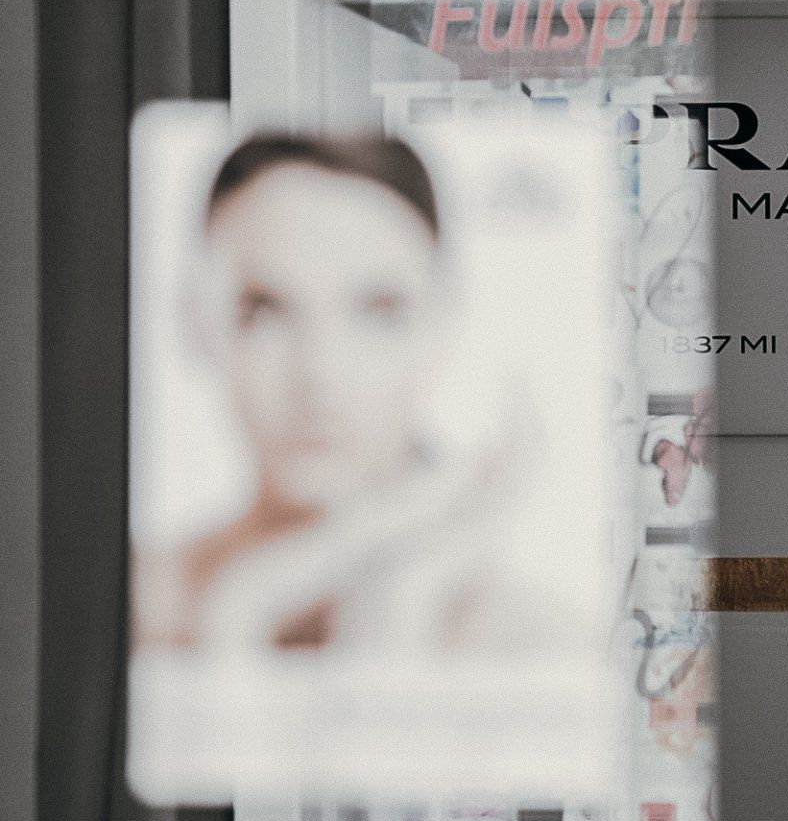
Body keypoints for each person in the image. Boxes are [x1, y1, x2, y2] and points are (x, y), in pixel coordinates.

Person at [136, 133, 535, 657]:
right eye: (266, 310)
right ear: (195, 321)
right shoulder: (124, 603)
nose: (320, 377)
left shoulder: (541, 647)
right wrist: (242, 608)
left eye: (378, 311)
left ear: (443, 322)